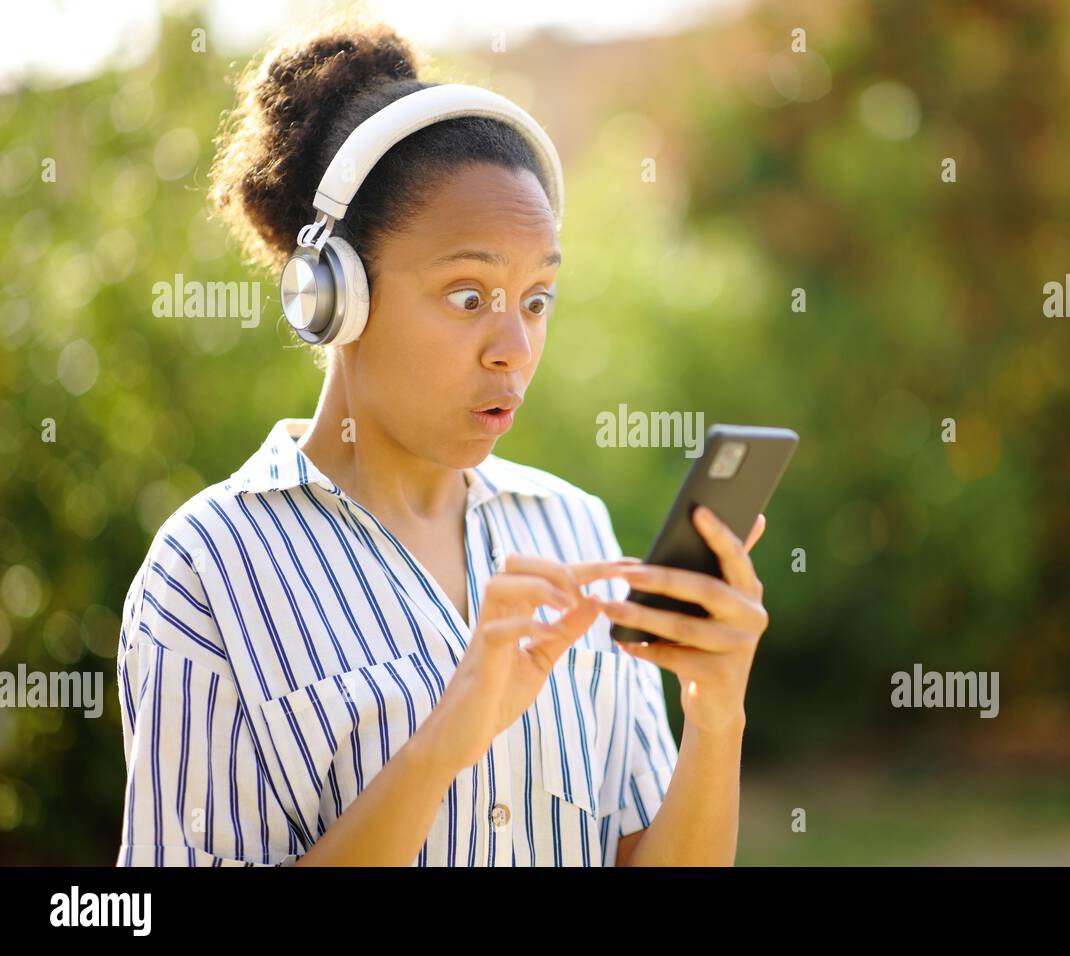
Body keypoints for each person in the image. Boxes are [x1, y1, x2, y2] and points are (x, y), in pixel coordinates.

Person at [114, 16, 770, 867]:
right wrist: (441, 744)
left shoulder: (575, 531)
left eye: (536, 300)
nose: (514, 348)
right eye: (469, 296)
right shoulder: (209, 570)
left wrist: (717, 715)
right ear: (334, 297)